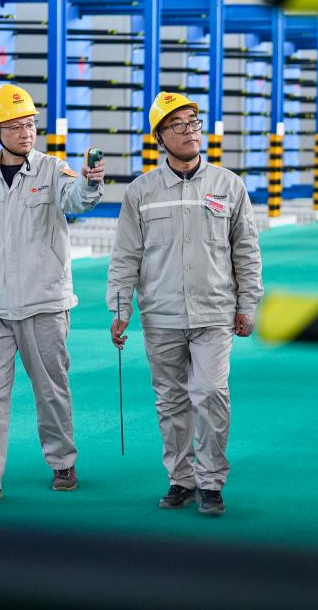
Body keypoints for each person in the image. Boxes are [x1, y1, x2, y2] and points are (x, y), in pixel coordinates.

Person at [107, 91, 263, 516]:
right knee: (171, 400)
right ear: (159, 137)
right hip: (161, 314)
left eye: (193, 122)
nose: (190, 131)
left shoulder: (228, 185)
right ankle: (181, 479)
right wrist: (120, 310)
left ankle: (211, 482)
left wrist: (248, 303)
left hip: (214, 311)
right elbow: (125, 255)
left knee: (210, 392)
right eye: (178, 125)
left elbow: (246, 250)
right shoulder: (141, 192)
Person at [0, 84, 105, 506]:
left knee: (51, 389)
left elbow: (77, 200)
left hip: (44, 303)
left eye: (31, 125)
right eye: (16, 126)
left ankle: (62, 462)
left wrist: (91, 182)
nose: (26, 133)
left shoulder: (53, 170)